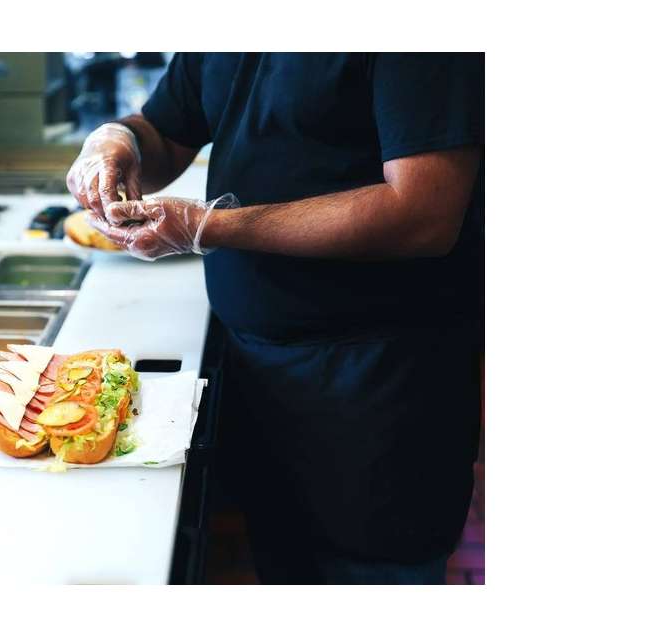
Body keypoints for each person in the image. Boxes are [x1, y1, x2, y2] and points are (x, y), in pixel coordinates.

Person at [66, 53, 483, 584]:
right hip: (260, 366)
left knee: (373, 573)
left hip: (379, 380)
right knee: (282, 560)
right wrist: (116, 142)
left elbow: (423, 212)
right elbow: (166, 134)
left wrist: (210, 225)